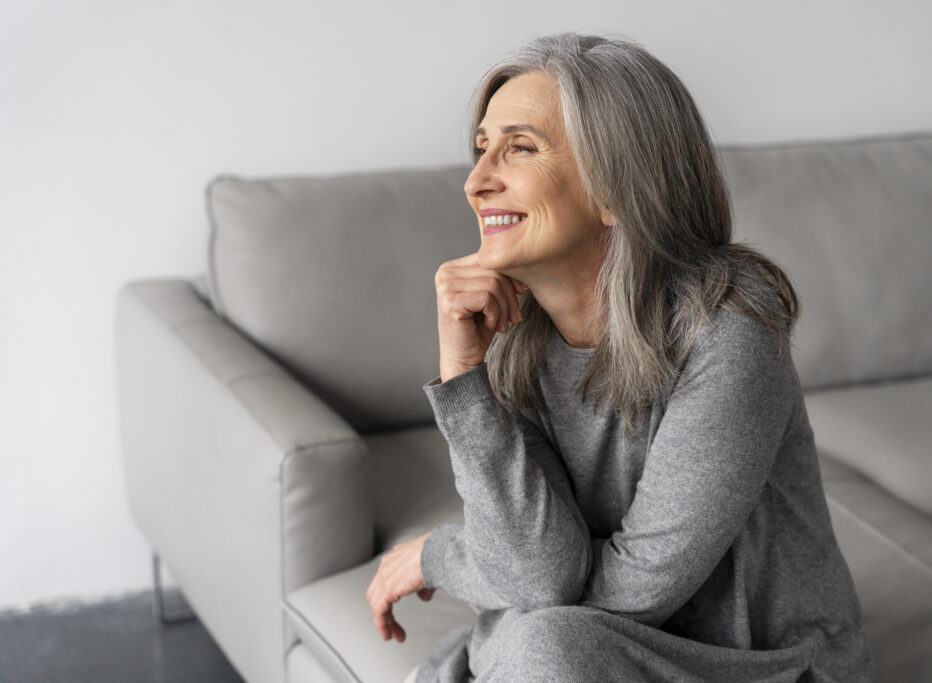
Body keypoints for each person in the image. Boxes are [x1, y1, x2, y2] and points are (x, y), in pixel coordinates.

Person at [365, 32, 875, 682]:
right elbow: (540, 570)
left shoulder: (729, 324)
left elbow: (633, 593)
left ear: (614, 187)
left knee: (542, 648)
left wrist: (443, 557)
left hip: (765, 668)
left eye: (518, 147)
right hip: (592, 652)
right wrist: (465, 377)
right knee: (541, 643)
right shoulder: (517, 346)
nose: (476, 181)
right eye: (480, 148)